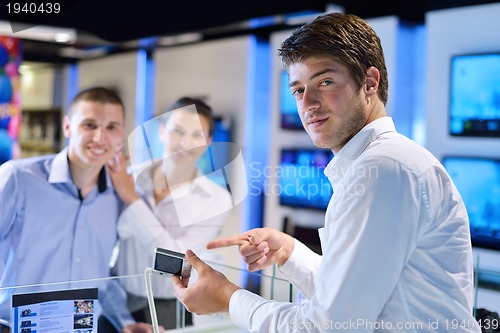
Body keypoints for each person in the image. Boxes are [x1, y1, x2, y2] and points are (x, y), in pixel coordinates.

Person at [172, 13, 482, 333]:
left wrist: (227, 297)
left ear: (369, 82)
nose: (307, 103)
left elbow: (327, 327)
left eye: (325, 82)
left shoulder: (383, 169)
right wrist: (290, 252)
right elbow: (358, 292)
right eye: (298, 90)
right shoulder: (380, 165)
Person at [0, 86, 155, 333]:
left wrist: (125, 322)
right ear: (68, 127)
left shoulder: (116, 196)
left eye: (111, 127)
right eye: (90, 125)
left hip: (82, 327)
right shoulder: (18, 178)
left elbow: (103, 278)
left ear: (121, 134)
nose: (99, 138)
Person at [107, 97, 232, 330]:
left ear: (208, 141)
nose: (185, 141)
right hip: (117, 300)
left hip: (170, 307)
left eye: (196, 134)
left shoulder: (216, 199)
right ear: (162, 131)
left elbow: (176, 260)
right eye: (177, 131)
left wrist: (133, 201)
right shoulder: (129, 177)